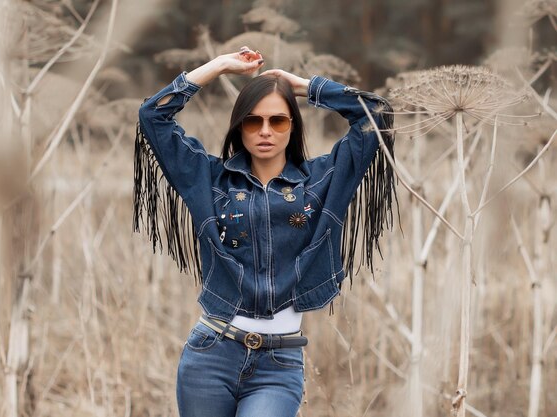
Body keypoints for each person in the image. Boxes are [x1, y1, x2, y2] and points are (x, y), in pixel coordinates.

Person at [134, 46, 396, 417]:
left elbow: (379, 116)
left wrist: (305, 86)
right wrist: (221, 66)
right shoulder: (208, 180)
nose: (266, 131)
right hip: (210, 355)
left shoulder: (323, 181)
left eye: (279, 121)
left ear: (294, 125)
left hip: (279, 364)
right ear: (239, 126)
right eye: (253, 121)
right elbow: (152, 116)